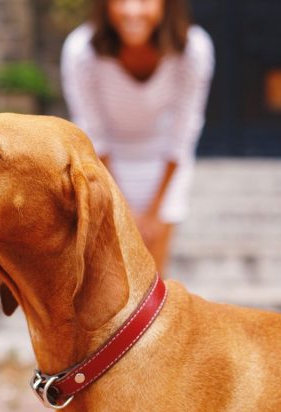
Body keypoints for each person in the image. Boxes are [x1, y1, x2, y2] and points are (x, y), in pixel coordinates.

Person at [61, 0, 214, 274]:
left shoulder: (194, 49)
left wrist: (154, 211)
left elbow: (184, 130)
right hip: (105, 166)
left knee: (153, 275)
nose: (132, 10)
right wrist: (121, 205)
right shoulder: (80, 50)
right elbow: (92, 131)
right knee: (110, 275)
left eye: (145, 0)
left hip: (164, 164)